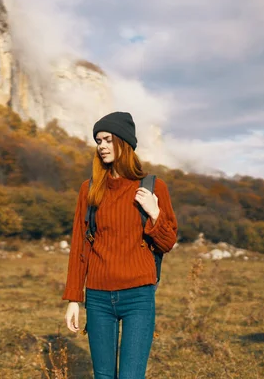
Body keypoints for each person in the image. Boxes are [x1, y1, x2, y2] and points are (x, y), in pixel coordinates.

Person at [62, 111, 178, 379]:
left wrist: (154, 213)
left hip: (139, 296)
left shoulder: (153, 187)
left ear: (124, 143)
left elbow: (168, 241)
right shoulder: (89, 189)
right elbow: (80, 245)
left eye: (107, 140)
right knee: (103, 376)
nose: (101, 146)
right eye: (98, 141)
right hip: (98, 297)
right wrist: (74, 299)